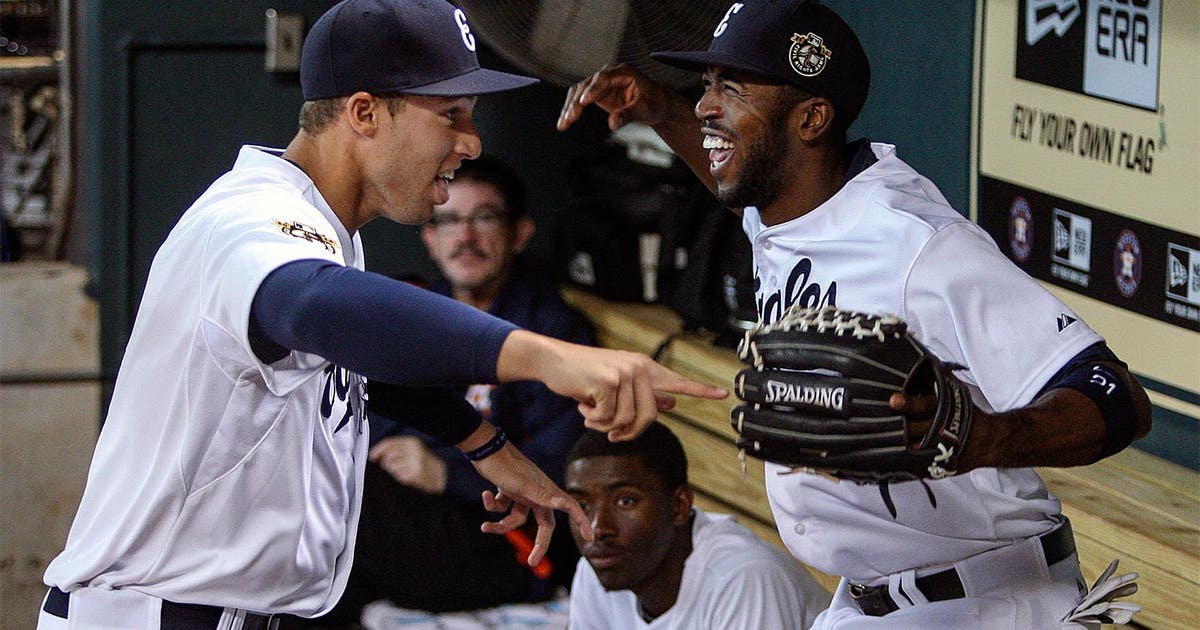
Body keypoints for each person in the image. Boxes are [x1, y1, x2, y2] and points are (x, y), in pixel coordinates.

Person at [36, 1, 728, 628]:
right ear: (363, 113)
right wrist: (551, 357)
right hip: (155, 613)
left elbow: (356, 355)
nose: (471, 141)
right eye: (449, 115)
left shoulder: (327, 225)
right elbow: (318, 307)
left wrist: (481, 443)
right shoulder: (251, 220)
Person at [556, 1, 1152, 628]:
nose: (707, 105)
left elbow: (1120, 399)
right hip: (873, 600)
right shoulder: (786, 211)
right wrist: (662, 111)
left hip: (988, 601)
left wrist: (984, 438)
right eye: (706, 86)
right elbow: (743, 192)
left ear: (812, 117)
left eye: (732, 88)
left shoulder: (919, 246)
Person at [312, 156, 596, 624]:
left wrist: (443, 471)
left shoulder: (552, 334)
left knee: (346, 522)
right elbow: (364, 416)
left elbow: (564, 474)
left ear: (520, 233)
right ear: (430, 238)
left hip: (505, 544)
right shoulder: (419, 310)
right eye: (448, 220)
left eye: (483, 218)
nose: (465, 237)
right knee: (321, 491)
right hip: (413, 519)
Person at [564, 423, 831, 629]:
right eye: (582, 506)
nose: (597, 529)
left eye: (625, 501)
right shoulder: (597, 567)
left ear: (679, 505)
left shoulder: (743, 577)